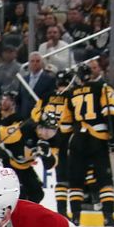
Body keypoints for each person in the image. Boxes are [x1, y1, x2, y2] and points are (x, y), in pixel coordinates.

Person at [60, 63, 114, 227]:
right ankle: (108, 219)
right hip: (97, 138)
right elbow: (109, 112)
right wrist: (113, 135)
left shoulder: (70, 93)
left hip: (77, 141)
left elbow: (65, 125)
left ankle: (75, 219)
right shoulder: (102, 87)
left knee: (76, 181)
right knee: (104, 179)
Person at [31, 68, 73, 218]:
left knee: (60, 174)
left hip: (50, 135)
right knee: (65, 175)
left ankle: (62, 211)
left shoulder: (47, 96)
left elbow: (35, 114)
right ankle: (68, 211)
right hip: (67, 137)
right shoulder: (71, 95)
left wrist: (44, 124)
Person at [0, 111, 60, 203]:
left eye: (51, 131)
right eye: (45, 129)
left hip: (24, 167)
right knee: (18, 193)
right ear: (39, 126)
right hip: (7, 163)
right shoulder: (25, 129)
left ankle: (25, 215)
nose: (47, 134)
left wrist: (48, 155)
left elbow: (50, 165)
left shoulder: (52, 141)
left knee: (37, 194)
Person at [18, 52, 56, 118]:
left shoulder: (49, 79)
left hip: (40, 115)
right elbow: (19, 98)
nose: (35, 63)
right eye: (32, 61)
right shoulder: (24, 79)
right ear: (29, 63)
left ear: (42, 63)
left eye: (37, 61)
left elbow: (50, 99)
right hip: (24, 116)